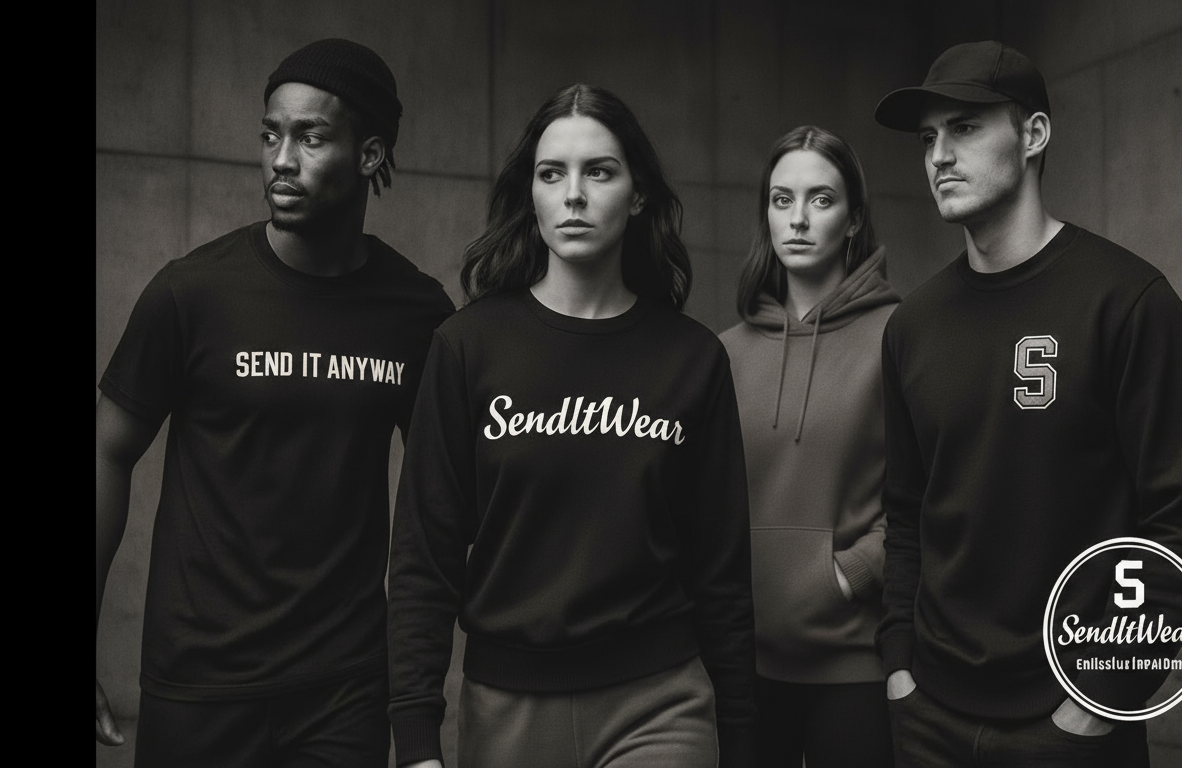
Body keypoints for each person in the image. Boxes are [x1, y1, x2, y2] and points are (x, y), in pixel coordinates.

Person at [95, 38, 455, 766]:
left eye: (310, 136)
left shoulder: (417, 313)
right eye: (270, 135)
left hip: (344, 687)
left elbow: (445, 502)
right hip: (198, 681)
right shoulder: (189, 294)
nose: (280, 159)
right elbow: (107, 449)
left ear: (370, 154)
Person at [871, 41, 1182, 766]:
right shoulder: (913, 325)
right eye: (928, 137)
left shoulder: (1127, 301)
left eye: (965, 128)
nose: (939, 154)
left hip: (1066, 725)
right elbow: (906, 512)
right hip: (929, 712)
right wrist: (900, 665)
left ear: (1034, 135)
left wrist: (1097, 704)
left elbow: (1181, 524)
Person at [386, 83, 755, 768]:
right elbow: (423, 557)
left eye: (600, 171)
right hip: (507, 707)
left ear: (637, 194)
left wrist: (741, 741)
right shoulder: (467, 348)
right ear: (532, 194)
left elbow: (722, 572)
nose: (574, 194)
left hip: (662, 702)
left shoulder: (692, 358)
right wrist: (414, 740)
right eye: (552, 173)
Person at [718, 126, 898, 767]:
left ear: (853, 220)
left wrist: (852, 574)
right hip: (742, 667)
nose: (796, 219)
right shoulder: (726, 352)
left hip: (854, 664)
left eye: (820, 200)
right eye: (780, 199)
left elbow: (933, 488)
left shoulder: (898, 337)